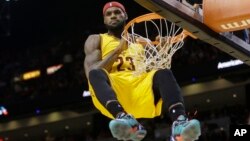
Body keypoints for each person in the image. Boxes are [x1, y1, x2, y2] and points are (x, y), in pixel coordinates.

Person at [84, 1, 201, 141]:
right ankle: (123, 119)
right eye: (109, 14)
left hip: (140, 93)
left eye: (117, 12)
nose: (113, 16)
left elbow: (156, 71)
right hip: (114, 93)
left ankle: (180, 123)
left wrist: (162, 49)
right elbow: (90, 72)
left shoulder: (141, 41)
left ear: (125, 15)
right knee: (95, 73)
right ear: (104, 19)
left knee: (164, 73)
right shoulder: (96, 39)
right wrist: (117, 51)